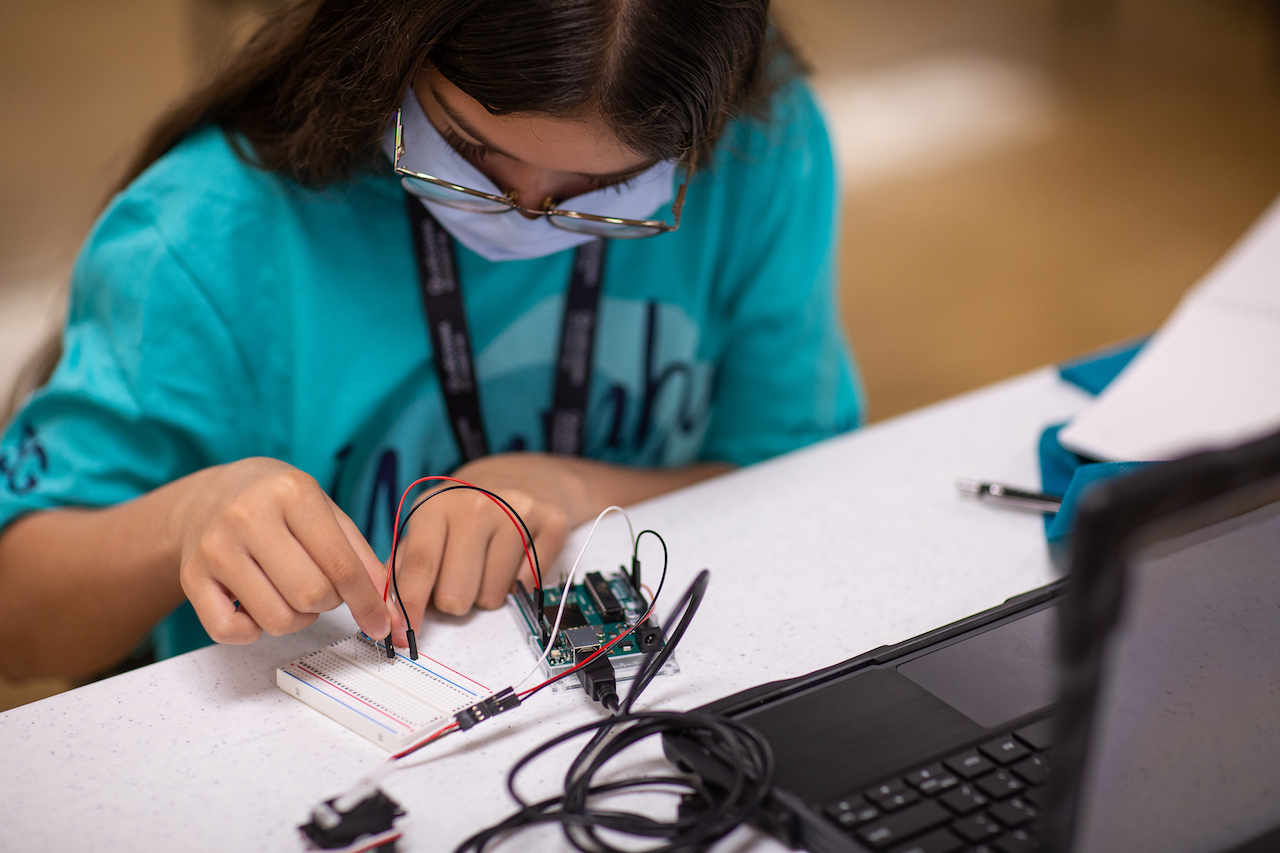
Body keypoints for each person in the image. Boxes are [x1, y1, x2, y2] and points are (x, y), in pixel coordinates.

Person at [0, 0, 861, 681]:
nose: (528, 211)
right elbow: (17, 618)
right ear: (384, 48)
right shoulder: (207, 239)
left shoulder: (762, 151)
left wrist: (569, 485)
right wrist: (182, 520)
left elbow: (809, 470)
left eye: (604, 188)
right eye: (468, 152)